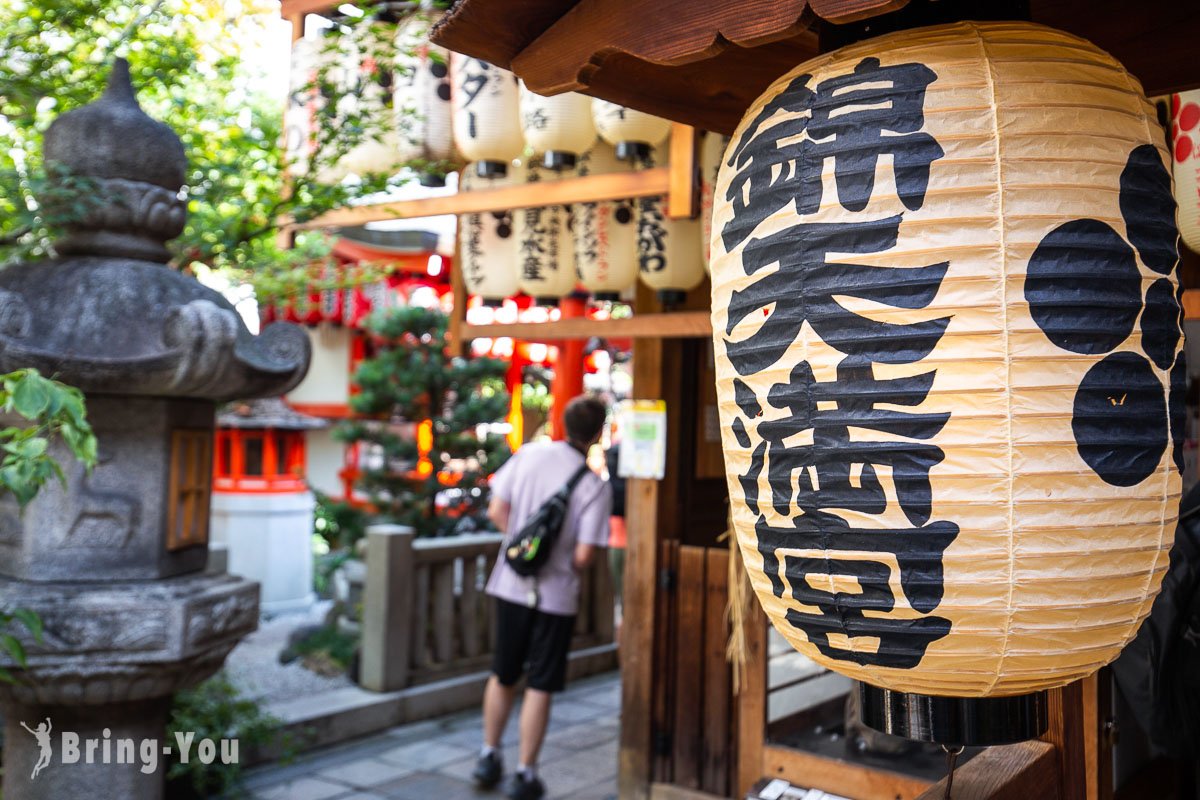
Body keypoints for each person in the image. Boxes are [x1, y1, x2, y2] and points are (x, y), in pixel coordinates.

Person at [473, 394, 612, 800]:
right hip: (555, 595)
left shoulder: (530, 455)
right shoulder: (593, 486)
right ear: (598, 433)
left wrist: (524, 552)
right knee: (541, 682)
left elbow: (498, 511)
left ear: (562, 422)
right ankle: (525, 773)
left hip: (509, 584)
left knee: (503, 672)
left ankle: (488, 754)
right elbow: (585, 554)